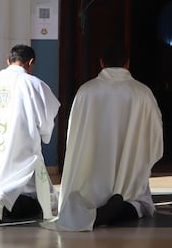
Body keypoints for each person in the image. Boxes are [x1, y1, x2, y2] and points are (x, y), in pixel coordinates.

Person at [45, 42, 163, 231]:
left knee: (80, 200)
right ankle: (120, 207)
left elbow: (74, 134)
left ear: (101, 63)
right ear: (127, 63)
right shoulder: (142, 93)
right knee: (138, 203)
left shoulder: (86, 91)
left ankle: (96, 211)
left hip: (90, 179)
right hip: (129, 176)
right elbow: (155, 135)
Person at [0, 44, 60, 225]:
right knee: (40, 202)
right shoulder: (36, 84)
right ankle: (4, 208)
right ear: (31, 63)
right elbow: (47, 119)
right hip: (20, 152)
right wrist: (44, 133)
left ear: (8, 61)